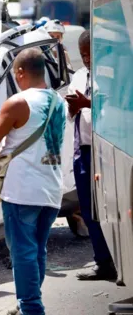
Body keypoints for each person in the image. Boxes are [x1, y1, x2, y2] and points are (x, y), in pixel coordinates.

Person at [0, 48, 66, 315]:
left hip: (22, 189)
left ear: (21, 72)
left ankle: (31, 307)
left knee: (23, 252)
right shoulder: (59, 100)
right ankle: (29, 301)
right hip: (51, 188)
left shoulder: (17, 102)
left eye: (16, 73)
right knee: (37, 249)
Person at [66, 30, 117, 281]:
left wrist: (87, 103)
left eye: (90, 53)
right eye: (83, 54)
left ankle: (119, 259)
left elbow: (115, 107)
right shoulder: (78, 76)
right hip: (83, 149)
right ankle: (103, 262)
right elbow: (73, 112)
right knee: (88, 209)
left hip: (107, 149)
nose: (87, 59)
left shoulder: (111, 75)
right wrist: (73, 106)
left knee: (111, 207)